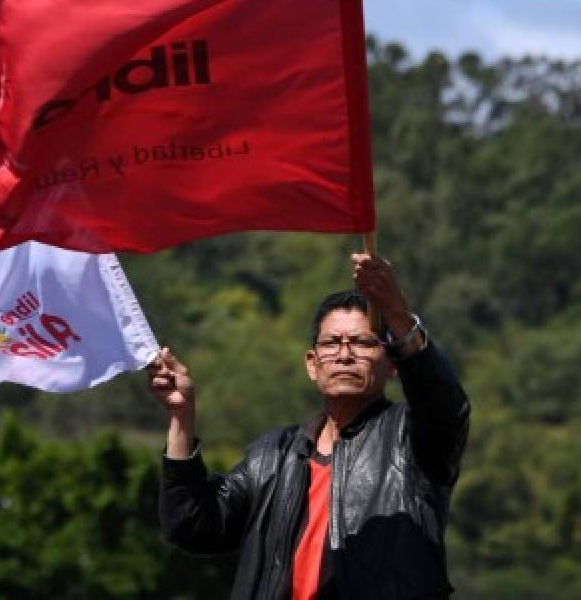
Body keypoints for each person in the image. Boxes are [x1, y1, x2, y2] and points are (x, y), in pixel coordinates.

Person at [148, 253, 470, 599]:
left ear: (392, 363)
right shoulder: (273, 455)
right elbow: (193, 527)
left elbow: (445, 405)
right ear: (312, 364)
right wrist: (182, 417)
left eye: (363, 343)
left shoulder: (412, 440)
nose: (345, 355)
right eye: (331, 343)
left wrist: (397, 314)